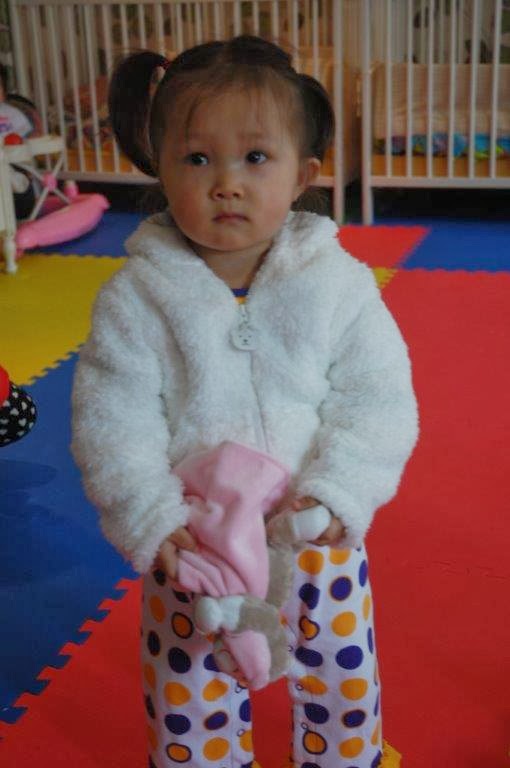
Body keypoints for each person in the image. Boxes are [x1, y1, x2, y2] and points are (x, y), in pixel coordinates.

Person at [71, 35, 418, 768]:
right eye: (197, 159)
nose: (226, 182)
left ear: (303, 175)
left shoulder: (338, 284)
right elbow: (112, 421)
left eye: (256, 157)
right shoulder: (136, 298)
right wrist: (149, 515)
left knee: (342, 690)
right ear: (160, 166)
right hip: (194, 548)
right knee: (189, 700)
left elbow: (379, 397)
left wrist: (343, 489)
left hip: (314, 538)